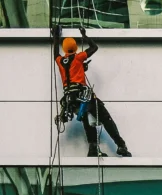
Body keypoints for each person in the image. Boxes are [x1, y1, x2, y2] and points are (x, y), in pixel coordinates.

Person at [52, 25, 131, 158]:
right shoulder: (78, 57)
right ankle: (121, 145)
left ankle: (93, 149)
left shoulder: (60, 61)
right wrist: (85, 36)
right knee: (105, 118)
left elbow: (55, 53)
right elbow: (94, 48)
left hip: (70, 99)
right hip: (83, 95)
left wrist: (56, 36)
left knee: (87, 119)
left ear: (65, 49)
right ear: (75, 48)